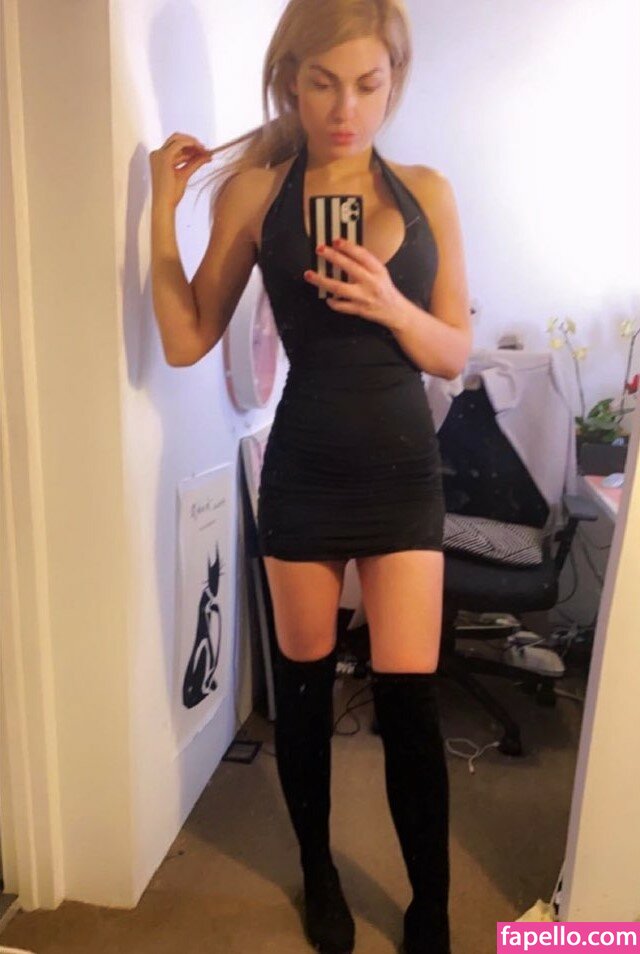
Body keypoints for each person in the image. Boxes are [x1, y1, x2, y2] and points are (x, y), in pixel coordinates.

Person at [149, 1, 471, 951]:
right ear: (289, 78)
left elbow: (453, 352)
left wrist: (389, 304)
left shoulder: (427, 191)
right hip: (304, 472)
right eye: (323, 83)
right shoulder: (257, 193)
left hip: (402, 474)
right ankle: (319, 876)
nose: (345, 109)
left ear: (393, 81)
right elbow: (186, 338)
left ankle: (431, 904)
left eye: (368, 84)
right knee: (303, 692)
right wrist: (161, 212)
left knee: (410, 701)